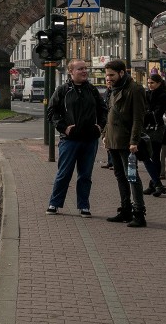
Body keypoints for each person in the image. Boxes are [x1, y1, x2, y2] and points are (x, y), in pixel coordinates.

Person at [45, 59, 108, 217]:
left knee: (85, 175)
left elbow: (103, 110)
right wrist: (64, 128)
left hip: (90, 140)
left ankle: (84, 206)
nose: (84, 71)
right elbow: (51, 113)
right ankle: (54, 203)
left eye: (85, 68)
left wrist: (99, 126)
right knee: (64, 173)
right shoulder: (62, 90)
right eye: (80, 69)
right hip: (70, 140)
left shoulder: (92, 90)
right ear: (71, 72)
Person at [103, 59, 148, 227]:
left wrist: (134, 141)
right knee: (120, 176)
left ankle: (139, 213)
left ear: (122, 73)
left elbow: (138, 118)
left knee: (132, 177)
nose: (108, 78)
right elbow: (108, 115)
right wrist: (105, 135)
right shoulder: (113, 90)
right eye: (107, 75)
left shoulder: (135, 89)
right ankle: (125, 209)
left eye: (111, 75)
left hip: (127, 142)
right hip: (113, 140)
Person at [142, 74, 166, 197]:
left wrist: (147, 114)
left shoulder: (163, 95)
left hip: (157, 128)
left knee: (155, 156)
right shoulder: (147, 94)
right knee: (149, 156)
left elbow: (157, 113)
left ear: (159, 83)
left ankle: (154, 184)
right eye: (148, 83)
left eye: (152, 82)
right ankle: (155, 184)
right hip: (147, 127)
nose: (150, 85)